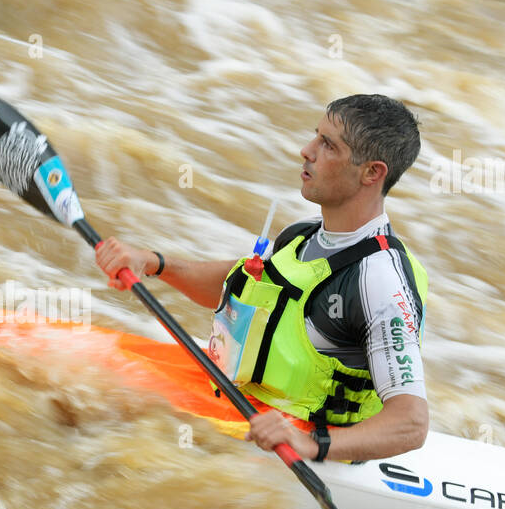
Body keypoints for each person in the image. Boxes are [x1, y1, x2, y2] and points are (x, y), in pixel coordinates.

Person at [94, 95, 428, 463]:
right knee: (84, 363)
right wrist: (156, 264)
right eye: (315, 136)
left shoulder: (379, 281)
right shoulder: (303, 235)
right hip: (232, 397)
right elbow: (239, 286)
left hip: (296, 437)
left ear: (372, 173)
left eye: (328, 145)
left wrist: (311, 446)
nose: (306, 150)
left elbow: (411, 423)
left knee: (94, 400)